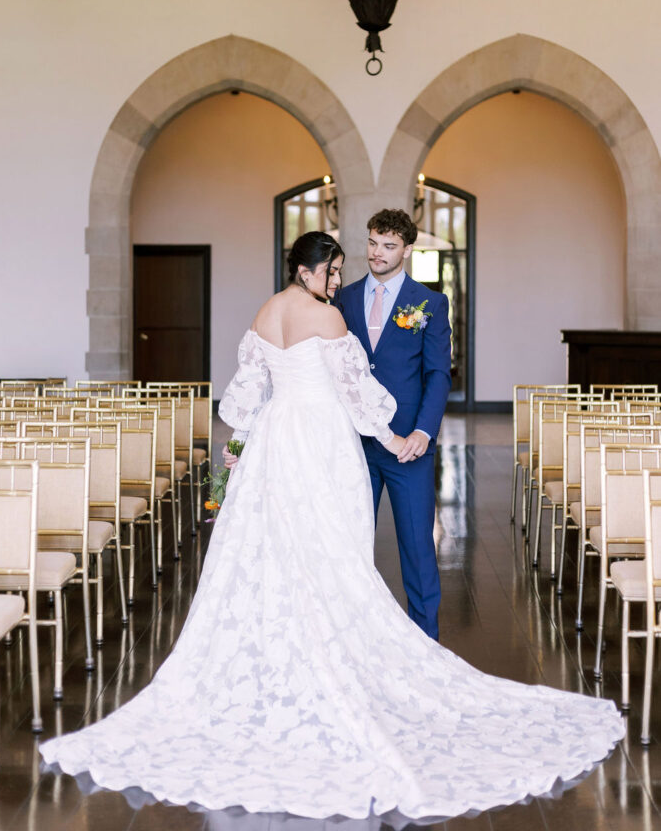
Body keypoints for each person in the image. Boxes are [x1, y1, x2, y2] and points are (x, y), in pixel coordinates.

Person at [40, 230, 624, 820]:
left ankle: (276, 668)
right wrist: (398, 440)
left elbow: (242, 401)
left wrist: (230, 464)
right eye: (333, 272)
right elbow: (361, 401)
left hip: (272, 444)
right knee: (331, 556)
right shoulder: (329, 323)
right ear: (305, 271)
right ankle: (330, 661)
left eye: (342, 272)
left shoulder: (265, 314)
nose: (339, 281)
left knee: (273, 557)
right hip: (322, 446)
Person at [334, 208, 450, 641]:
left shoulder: (430, 303)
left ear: (407, 249)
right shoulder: (342, 299)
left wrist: (423, 432)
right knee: (349, 544)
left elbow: (438, 374)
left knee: (418, 549)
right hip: (354, 443)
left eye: (388, 246)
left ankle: (426, 645)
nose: (377, 253)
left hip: (408, 447)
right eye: (371, 243)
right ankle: (351, 639)